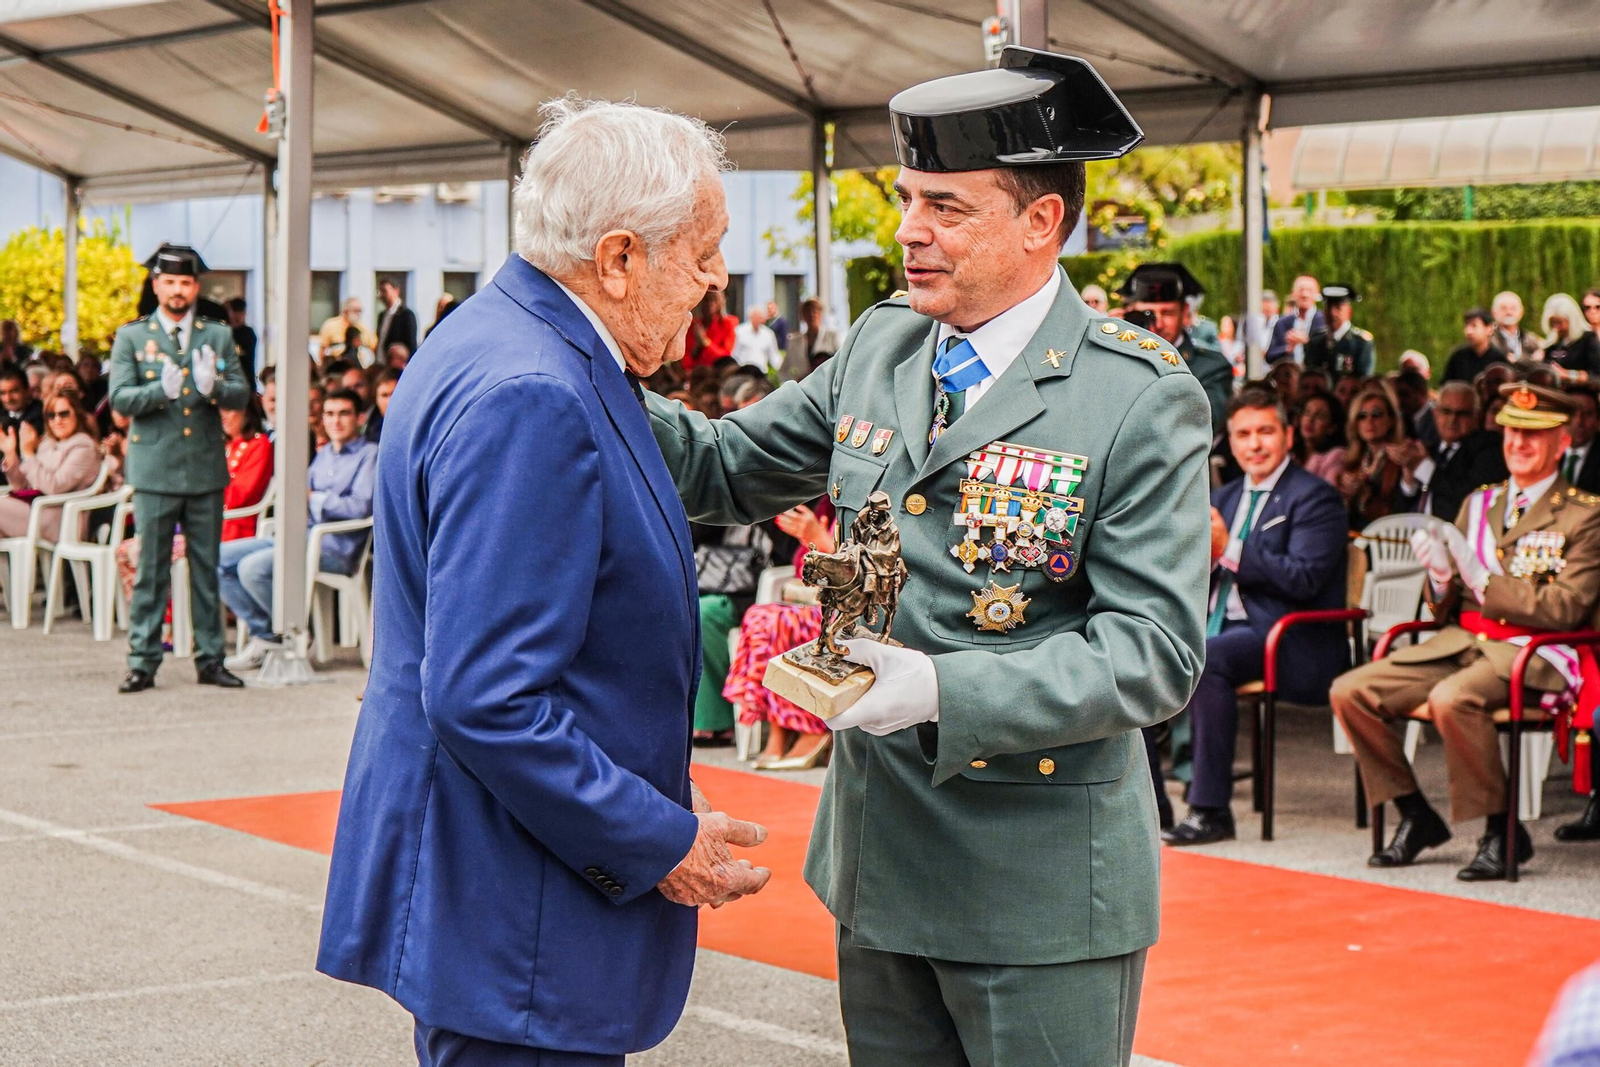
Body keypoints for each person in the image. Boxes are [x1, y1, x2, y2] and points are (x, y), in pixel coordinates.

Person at [646, 48, 1207, 1067]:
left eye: (945, 207)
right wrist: (573, 356)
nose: (908, 230)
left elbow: (1152, 650)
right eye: (908, 200)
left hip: (1034, 886)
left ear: (1040, 222)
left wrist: (944, 688)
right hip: (882, 859)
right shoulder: (885, 343)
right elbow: (726, 466)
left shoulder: (1135, 394)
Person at [318, 98, 773, 1066]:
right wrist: (662, 839)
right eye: (701, 248)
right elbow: (488, 697)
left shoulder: (498, 333)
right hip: (517, 908)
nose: (714, 276)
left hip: (493, 885)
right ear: (617, 259)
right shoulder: (536, 390)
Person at [1331, 383, 1600, 880]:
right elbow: (1441, 608)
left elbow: (1567, 608)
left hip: (1534, 651)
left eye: (1534, 435)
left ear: (1562, 442)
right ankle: (1415, 814)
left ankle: (1502, 831)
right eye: (1513, 431)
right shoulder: (1481, 504)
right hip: (1463, 641)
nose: (1518, 443)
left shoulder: (1586, 514)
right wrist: (1440, 580)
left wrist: (1483, 582)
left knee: (1453, 699)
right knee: (1351, 690)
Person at [1155, 388, 1349, 844]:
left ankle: (1210, 811)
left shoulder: (1315, 497)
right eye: (1243, 434)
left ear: (1288, 435)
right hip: (1221, 629)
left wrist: (1230, 549)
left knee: (1209, 659)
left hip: (1292, 640)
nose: (1254, 445)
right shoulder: (1222, 495)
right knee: (1142, 651)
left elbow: (1303, 580)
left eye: (1265, 432)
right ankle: (1153, 804)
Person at [108, 243, 250, 693]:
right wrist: (158, 394)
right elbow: (119, 399)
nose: (177, 290)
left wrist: (214, 388)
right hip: (154, 470)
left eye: (185, 283)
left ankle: (211, 658)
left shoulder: (217, 334)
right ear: (156, 286)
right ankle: (143, 660)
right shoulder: (132, 336)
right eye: (169, 282)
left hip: (204, 467)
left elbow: (241, 393)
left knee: (206, 569)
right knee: (152, 569)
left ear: (195, 287)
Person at [221, 389, 374, 668]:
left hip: (335, 548)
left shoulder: (369, 455)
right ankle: (267, 634)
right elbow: (298, 496)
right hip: (299, 538)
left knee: (253, 568)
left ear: (360, 417)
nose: (335, 421)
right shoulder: (323, 454)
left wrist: (315, 499)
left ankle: (293, 631)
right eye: (329, 414)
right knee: (216, 559)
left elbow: (361, 506)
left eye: (344, 413)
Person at [115, 395, 272, 603]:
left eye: (228, 410)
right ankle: (155, 619)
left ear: (247, 411)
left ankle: (175, 622)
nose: (221, 416)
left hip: (231, 529)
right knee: (126, 550)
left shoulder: (258, 446)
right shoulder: (220, 444)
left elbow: (239, 496)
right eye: (219, 410)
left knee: (156, 553)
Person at [1118, 262, 1232, 433]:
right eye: (1148, 314)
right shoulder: (1116, 361)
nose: (1159, 324)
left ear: (1185, 314)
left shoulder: (1212, 367)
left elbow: (1204, 424)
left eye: (1167, 313)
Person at [0, 389, 100, 540]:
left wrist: (28, 453)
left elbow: (54, 487)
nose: (57, 420)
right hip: (36, 510)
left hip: (61, 517)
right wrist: (10, 454)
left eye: (64, 414)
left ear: (77, 415)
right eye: (51, 415)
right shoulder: (47, 444)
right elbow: (21, 487)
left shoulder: (84, 446)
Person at [1403, 381, 1508, 521]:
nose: (1453, 420)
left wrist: (1425, 468)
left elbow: (1471, 496)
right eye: (1446, 412)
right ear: (1435, 413)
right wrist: (1409, 481)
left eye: (1462, 414)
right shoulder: (1428, 448)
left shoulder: (1489, 447)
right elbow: (1399, 507)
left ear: (1477, 415)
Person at [1339, 381, 1417, 531]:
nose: (1369, 421)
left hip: (1389, 537)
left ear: (1391, 420)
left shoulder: (1402, 458)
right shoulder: (1354, 461)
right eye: (1362, 416)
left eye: (1377, 414)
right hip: (1356, 535)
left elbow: (1405, 506)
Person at [1303, 284, 1374, 384]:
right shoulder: (1316, 340)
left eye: (1338, 308)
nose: (1332, 313)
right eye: (1328, 308)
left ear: (1349, 312)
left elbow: (1363, 380)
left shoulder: (1361, 343)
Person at [779, 298, 843, 382]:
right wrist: (795, 382)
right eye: (808, 312)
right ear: (803, 316)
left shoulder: (832, 336)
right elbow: (782, 371)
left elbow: (842, 362)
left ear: (821, 314)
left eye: (815, 311)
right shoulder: (794, 341)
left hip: (826, 386)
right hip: (804, 389)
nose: (812, 315)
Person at [1543, 293, 1600, 384]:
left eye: (1560, 322)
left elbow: (1596, 376)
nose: (1556, 328)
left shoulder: (1588, 339)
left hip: (1581, 393)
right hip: (1555, 392)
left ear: (1571, 320)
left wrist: (1568, 375)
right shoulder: (1553, 344)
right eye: (1553, 323)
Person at [1443, 307, 1510, 384]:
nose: (1469, 331)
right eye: (1466, 326)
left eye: (1474, 326)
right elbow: (1446, 386)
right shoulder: (1458, 356)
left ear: (1489, 329)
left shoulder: (1499, 358)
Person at [1266, 275, 1322, 364]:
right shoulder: (1282, 323)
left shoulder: (1324, 322)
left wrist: (1306, 343)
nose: (1305, 294)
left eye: (1309, 290)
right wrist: (1289, 348)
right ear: (1293, 293)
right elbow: (1270, 356)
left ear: (1317, 294)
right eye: (1301, 290)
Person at [1296, 388, 1347, 484]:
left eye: (1320, 416)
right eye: (1307, 412)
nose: (1310, 420)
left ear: (1332, 427)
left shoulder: (1336, 456)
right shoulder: (1290, 452)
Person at [684, 289, 737, 371]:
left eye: (714, 299)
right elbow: (686, 358)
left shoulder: (728, 324)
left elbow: (725, 356)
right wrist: (697, 348)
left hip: (717, 372)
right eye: (706, 300)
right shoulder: (693, 325)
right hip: (696, 372)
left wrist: (705, 342)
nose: (710, 303)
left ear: (721, 302)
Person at [1564, 385, 1600, 494]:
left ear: (1598, 420)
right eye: (1573, 413)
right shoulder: (1547, 451)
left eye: (1588, 414)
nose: (1579, 421)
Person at [730, 303, 782, 373]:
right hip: (743, 373)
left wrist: (781, 368)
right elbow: (734, 353)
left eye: (761, 317)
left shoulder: (768, 334)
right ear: (750, 317)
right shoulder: (739, 332)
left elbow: (774, 355)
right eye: (757, 317)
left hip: (761, 373)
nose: (760, 320)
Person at [0, 365, 44, 447]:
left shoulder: (43, 415)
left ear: (27, 390)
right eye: (2, 393)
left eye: (14, 391)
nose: (8, 398)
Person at [1492, 290, 1541, 361]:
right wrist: (1531, 360)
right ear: (1494, 312)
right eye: (1504, 308)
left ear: (1521, 312)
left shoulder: (1531, 340)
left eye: (1513, 308)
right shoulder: (1488, 340)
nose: (1509, 312)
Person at [374, 279, 418, 359]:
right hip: (383, 362)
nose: (381, 295)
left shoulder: (406, 315)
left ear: (396, 291)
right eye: (380, 291)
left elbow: (411, 343)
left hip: (399, 364)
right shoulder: (382, 315)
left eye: (384, 291)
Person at [364, 365, 401, 444]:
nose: (390, 401)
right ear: (376, 399)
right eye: (384, 395)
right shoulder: (370, 433)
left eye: (394, 394)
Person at [225, 297, 258, 386]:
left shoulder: (248, 334)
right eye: (234, 312)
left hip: (244, 380)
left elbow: (249, 363)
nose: (237, 316)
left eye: (241, 312)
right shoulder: (224, 333)